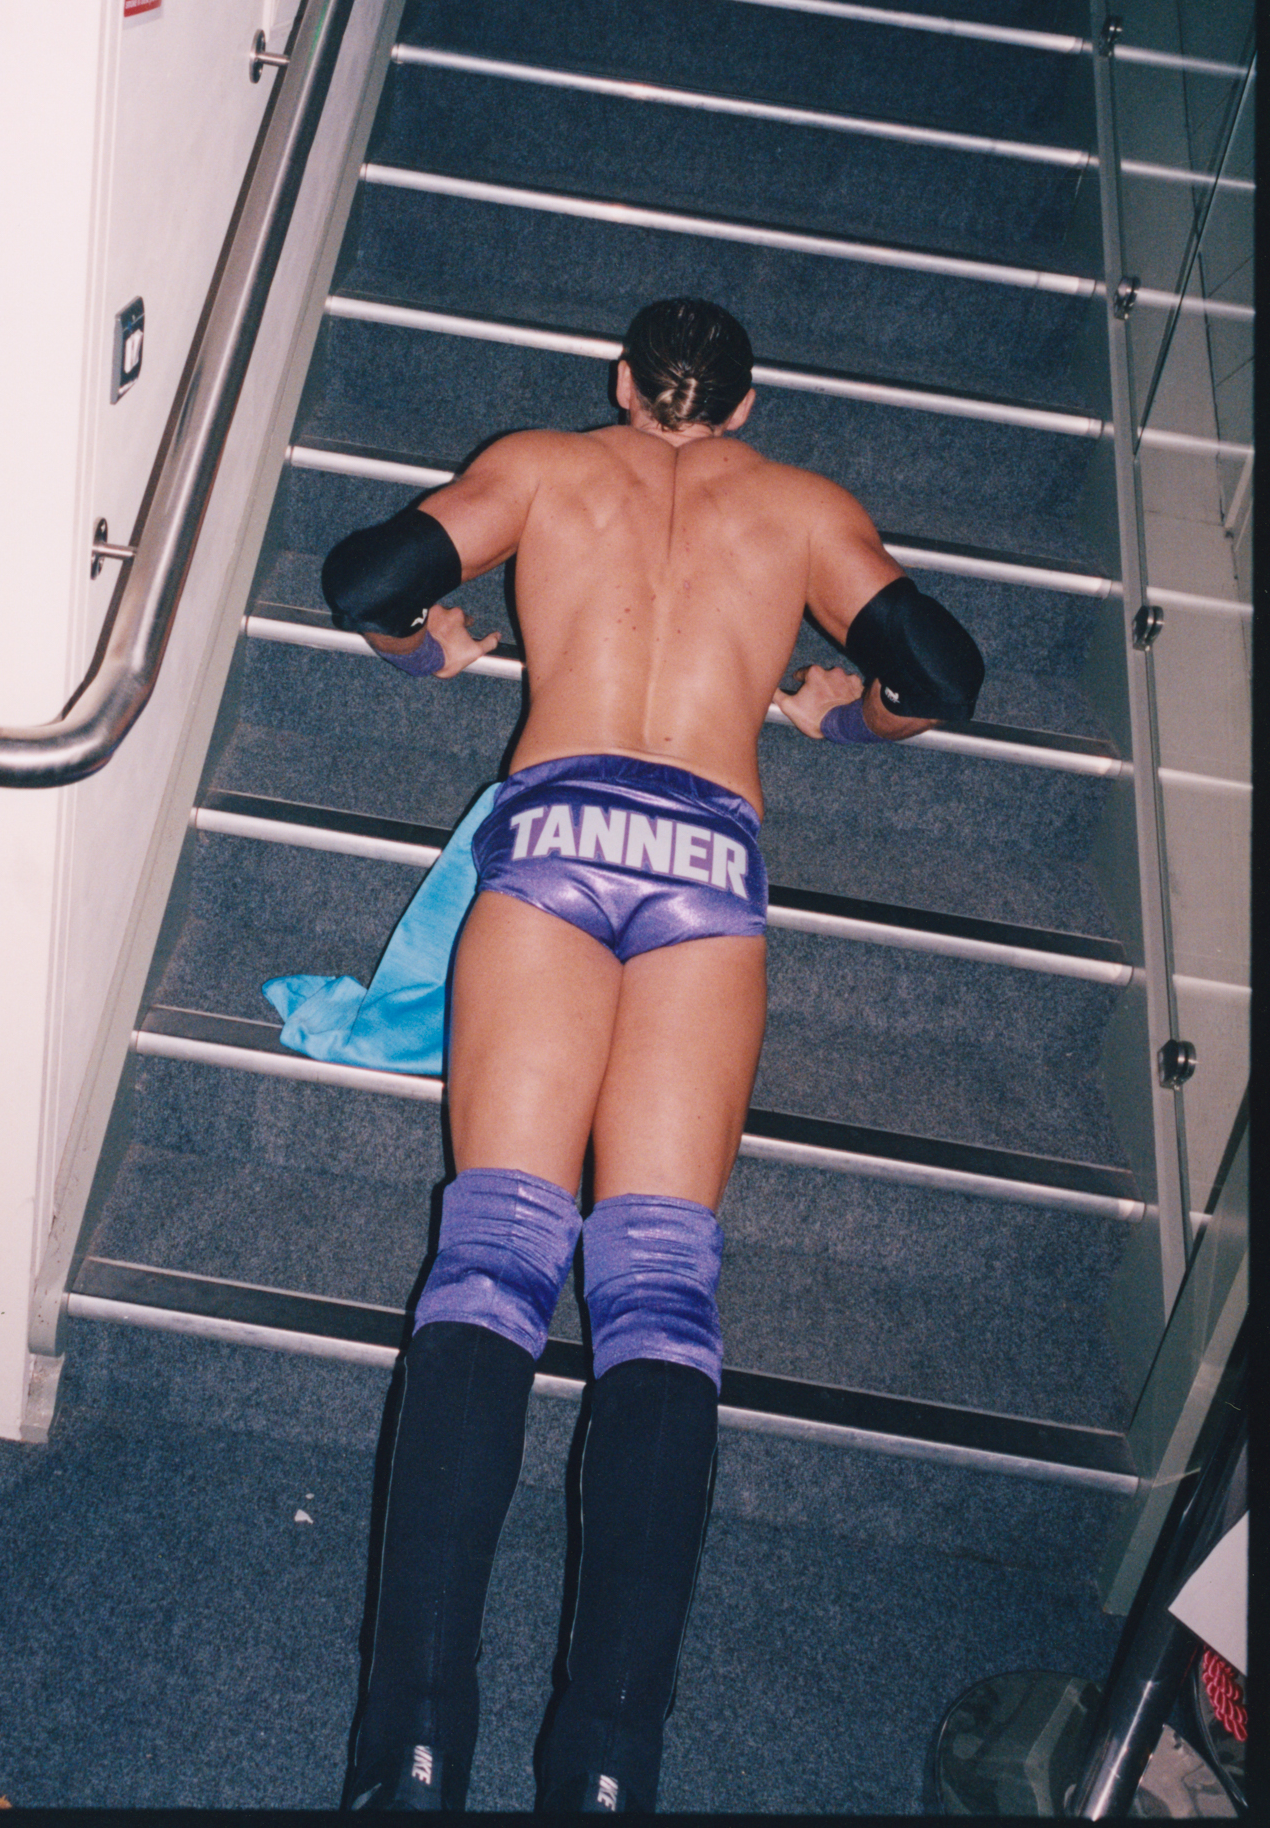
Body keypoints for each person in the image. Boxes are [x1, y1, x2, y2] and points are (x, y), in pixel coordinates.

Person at [321, 298, 984, 1812]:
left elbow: (368, 575)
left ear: (622, 383)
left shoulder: (544, 463)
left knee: (488, 1263)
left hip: (555, 835)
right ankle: (606, 1771)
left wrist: (427, 650)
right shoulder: (808, 511)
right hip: (704, 866)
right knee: (662, 1294)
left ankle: (410, 1757)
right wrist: (848, 721)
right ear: (747, 409)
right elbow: (939, 670)